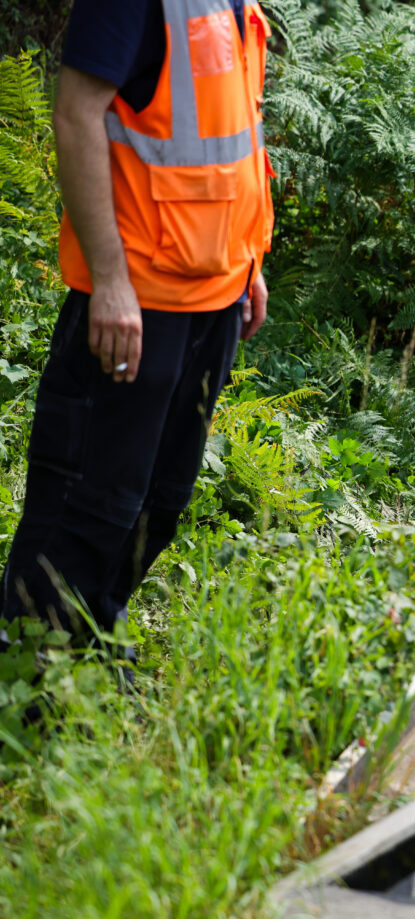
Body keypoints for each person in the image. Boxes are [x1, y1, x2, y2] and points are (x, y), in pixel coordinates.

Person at [1, 0, 274, 642]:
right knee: (87, 504)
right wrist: (112, 283)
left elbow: (223, 134)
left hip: (215, 298)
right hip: (137, 305)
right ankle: (27, 671)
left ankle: (93, 638)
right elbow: (75, 116)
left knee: (160, 499)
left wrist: (247, 261)